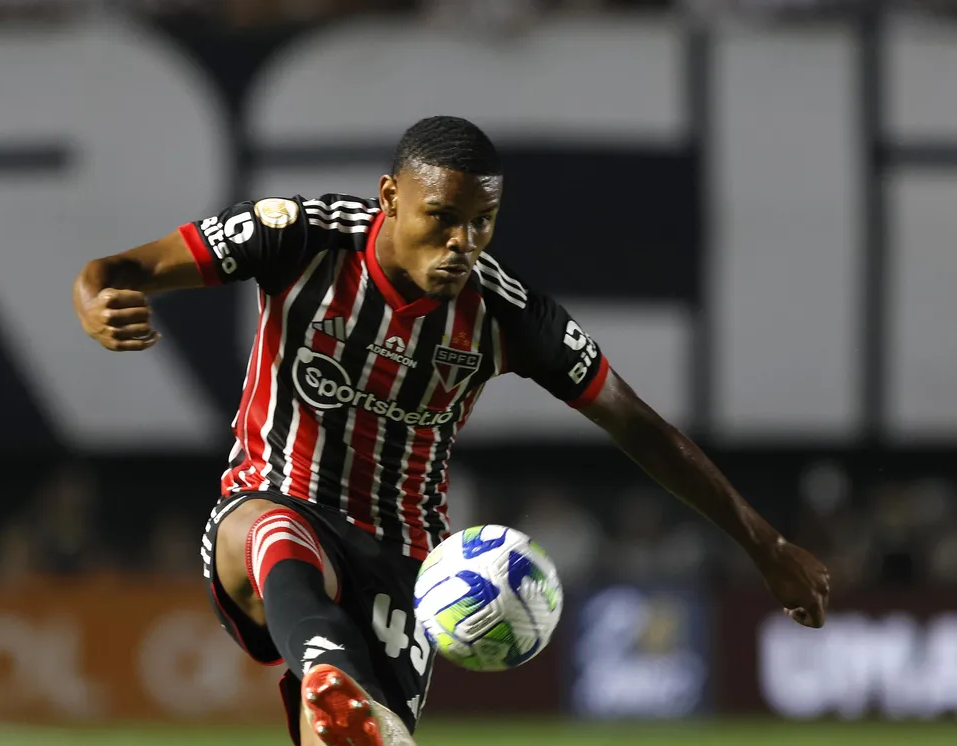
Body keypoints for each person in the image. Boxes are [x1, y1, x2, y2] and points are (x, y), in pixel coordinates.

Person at [72, 116, 830, 746]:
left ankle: (341, 693)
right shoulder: (299, 239)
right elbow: (117, 269)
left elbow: (643, 429)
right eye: (443, 218)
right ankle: (328, 663)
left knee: (356, 740)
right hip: (269, 513)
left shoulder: (509, 316)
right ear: (391, 198)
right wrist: (97, 304)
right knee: (273, 527)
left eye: (483, 223)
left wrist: (765, 544)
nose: (464, 242)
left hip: (402, 558)